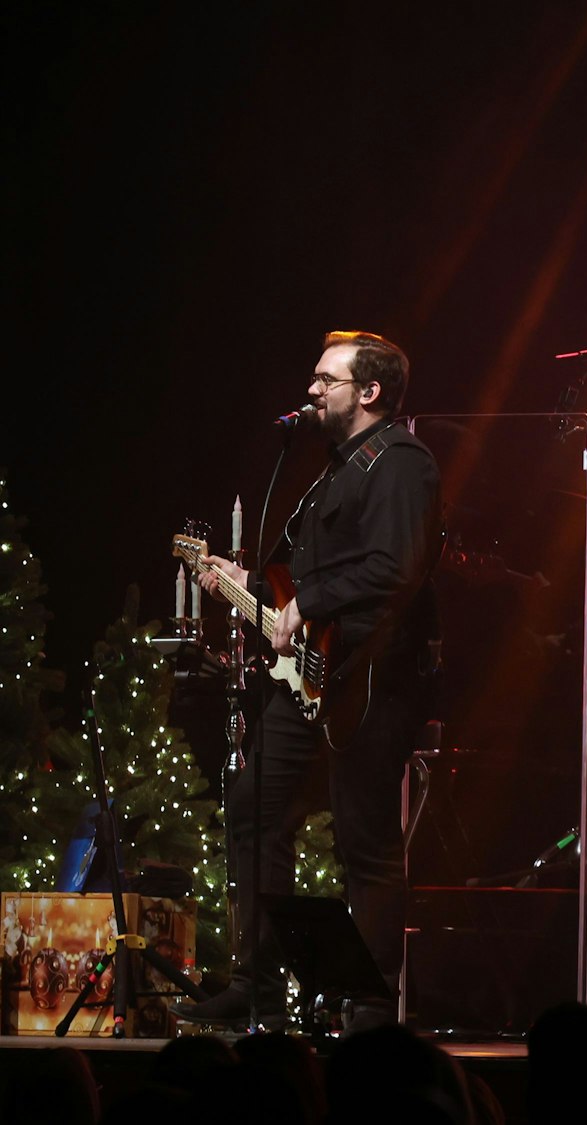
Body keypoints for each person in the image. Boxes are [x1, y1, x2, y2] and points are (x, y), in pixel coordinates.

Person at [180, 330, 441, 1033]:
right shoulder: (333, 469)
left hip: (371, 680)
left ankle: (370, 1003)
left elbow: (397, 567)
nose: (313, 390)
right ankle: (257, 984)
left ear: (369, 391)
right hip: (310, 677)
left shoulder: (402, 463)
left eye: (327, 379)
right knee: (253, 807)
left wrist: (311, 601)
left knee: (365, 838)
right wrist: (248, 585)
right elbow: (298, 584)